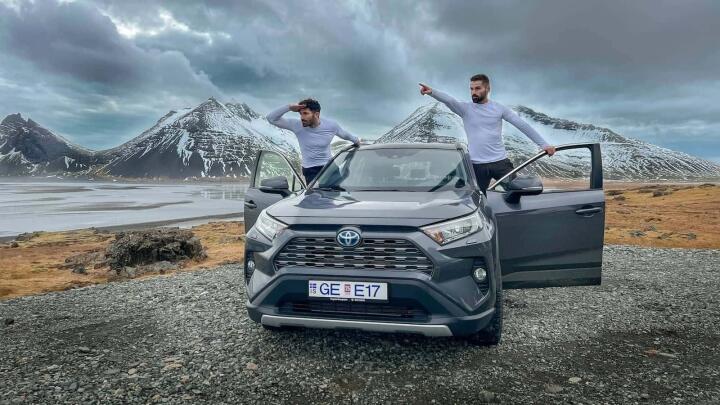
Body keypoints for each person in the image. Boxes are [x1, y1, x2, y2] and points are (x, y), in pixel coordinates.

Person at [419, 74, 556, 193]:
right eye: (471, 89)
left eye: (477, 88)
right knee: (470, 198)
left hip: (500, 164)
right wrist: (432, 92)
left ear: (487, 89)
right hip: (476, 166)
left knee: (518, 193)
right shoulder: (465, 109)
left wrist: (544, 144)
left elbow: (522, 125)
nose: (474, 92)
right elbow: (450, 100)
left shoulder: (499, 109)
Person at [267, 99, 360, 183]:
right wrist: (289, 107)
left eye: (305, 113)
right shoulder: (296, 125)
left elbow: (345, 135)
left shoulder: (331, 125)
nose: (302, 117)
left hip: (330, 168)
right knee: (316, 199)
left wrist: (357, 141)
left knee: (338, 196)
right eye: (301, 114)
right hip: (310, 170)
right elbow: (271, 118)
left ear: (316, 114)